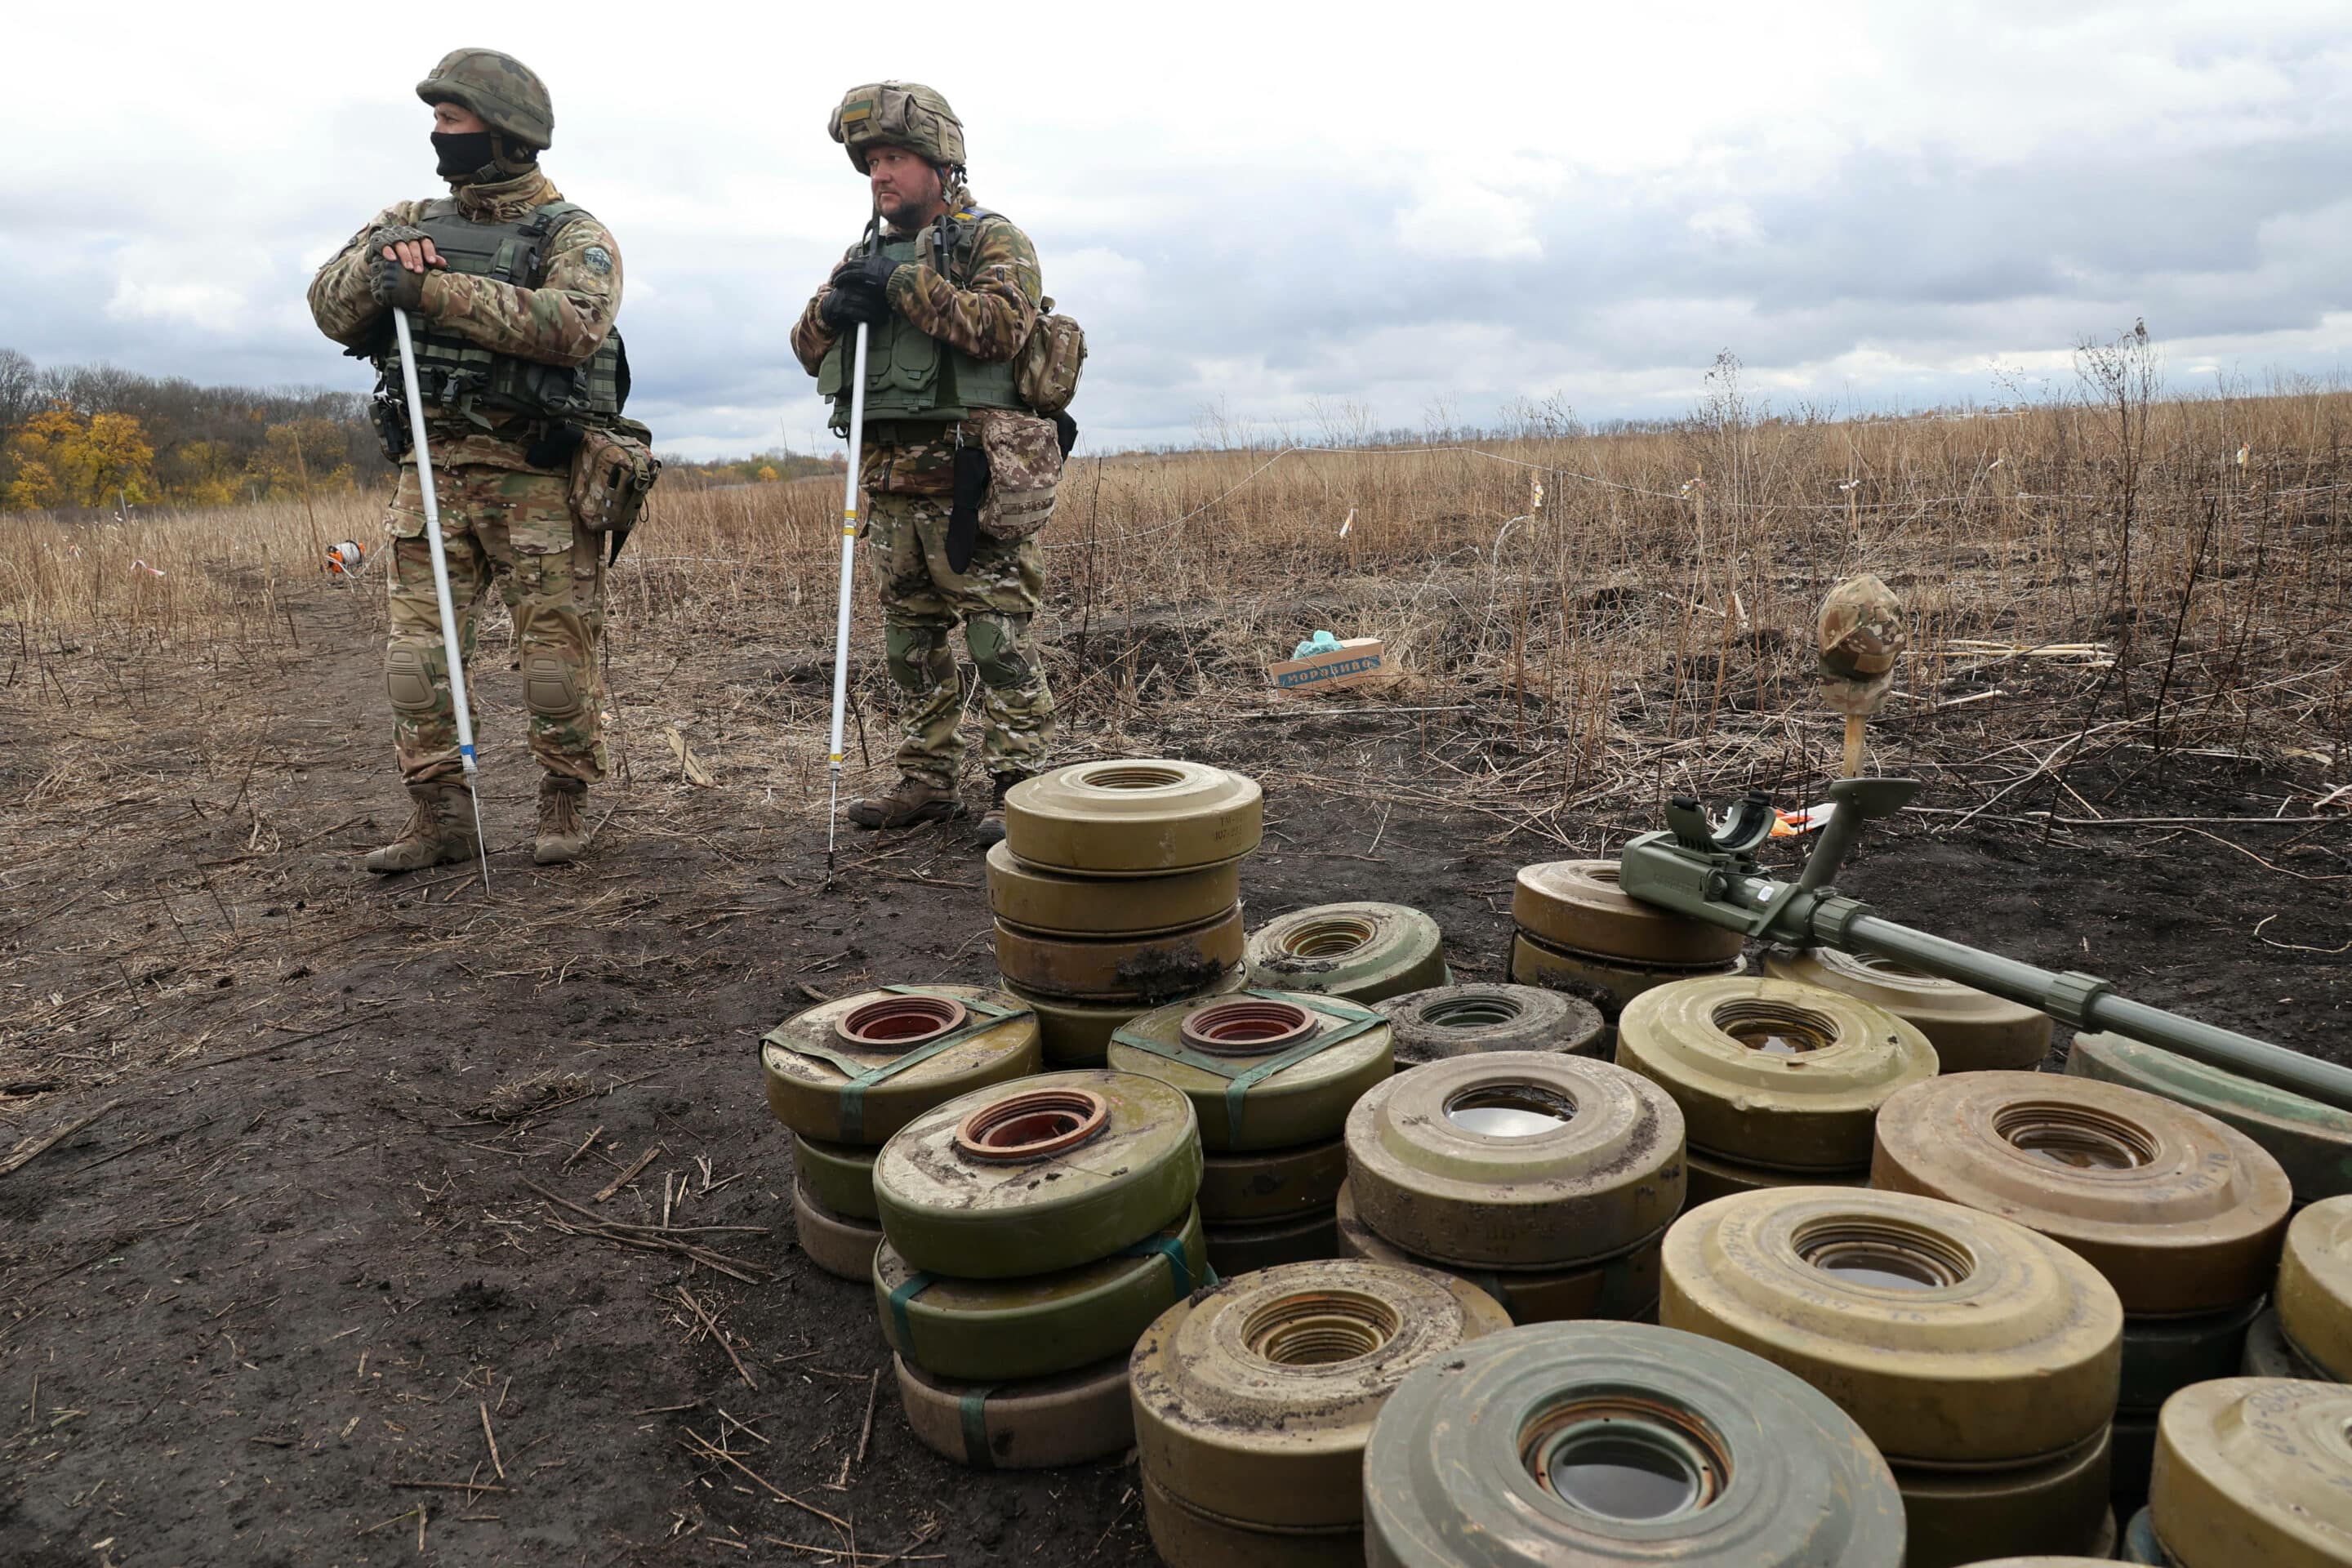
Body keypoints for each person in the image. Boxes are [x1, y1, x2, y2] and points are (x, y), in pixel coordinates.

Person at [309, 48, 635, 870]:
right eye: (438, 119)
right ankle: (439, 816)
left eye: (452, 120)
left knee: (556, 656)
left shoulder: (574, 235)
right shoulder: (407, 218)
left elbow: (574, 325)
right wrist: (378, 268)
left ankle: (563, 801)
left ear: (505, 134)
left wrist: (435, 291)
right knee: (416, 658)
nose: (438, 134)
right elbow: (326, 306)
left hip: (535, 479)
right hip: (433, 472)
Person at [790, 82, 1063, 845]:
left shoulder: (990, 240)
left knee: (996, 641)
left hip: (971, 480)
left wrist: (906, 285)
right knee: (909, 645)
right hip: (889, 485)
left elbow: (1002, 328)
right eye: (873, 160)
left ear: (941, 164)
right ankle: (928, 779)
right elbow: (806, 347)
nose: (882, 174)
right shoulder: (861, 255)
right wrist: (832, 312)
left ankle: (1023, 786)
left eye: (898, 157)